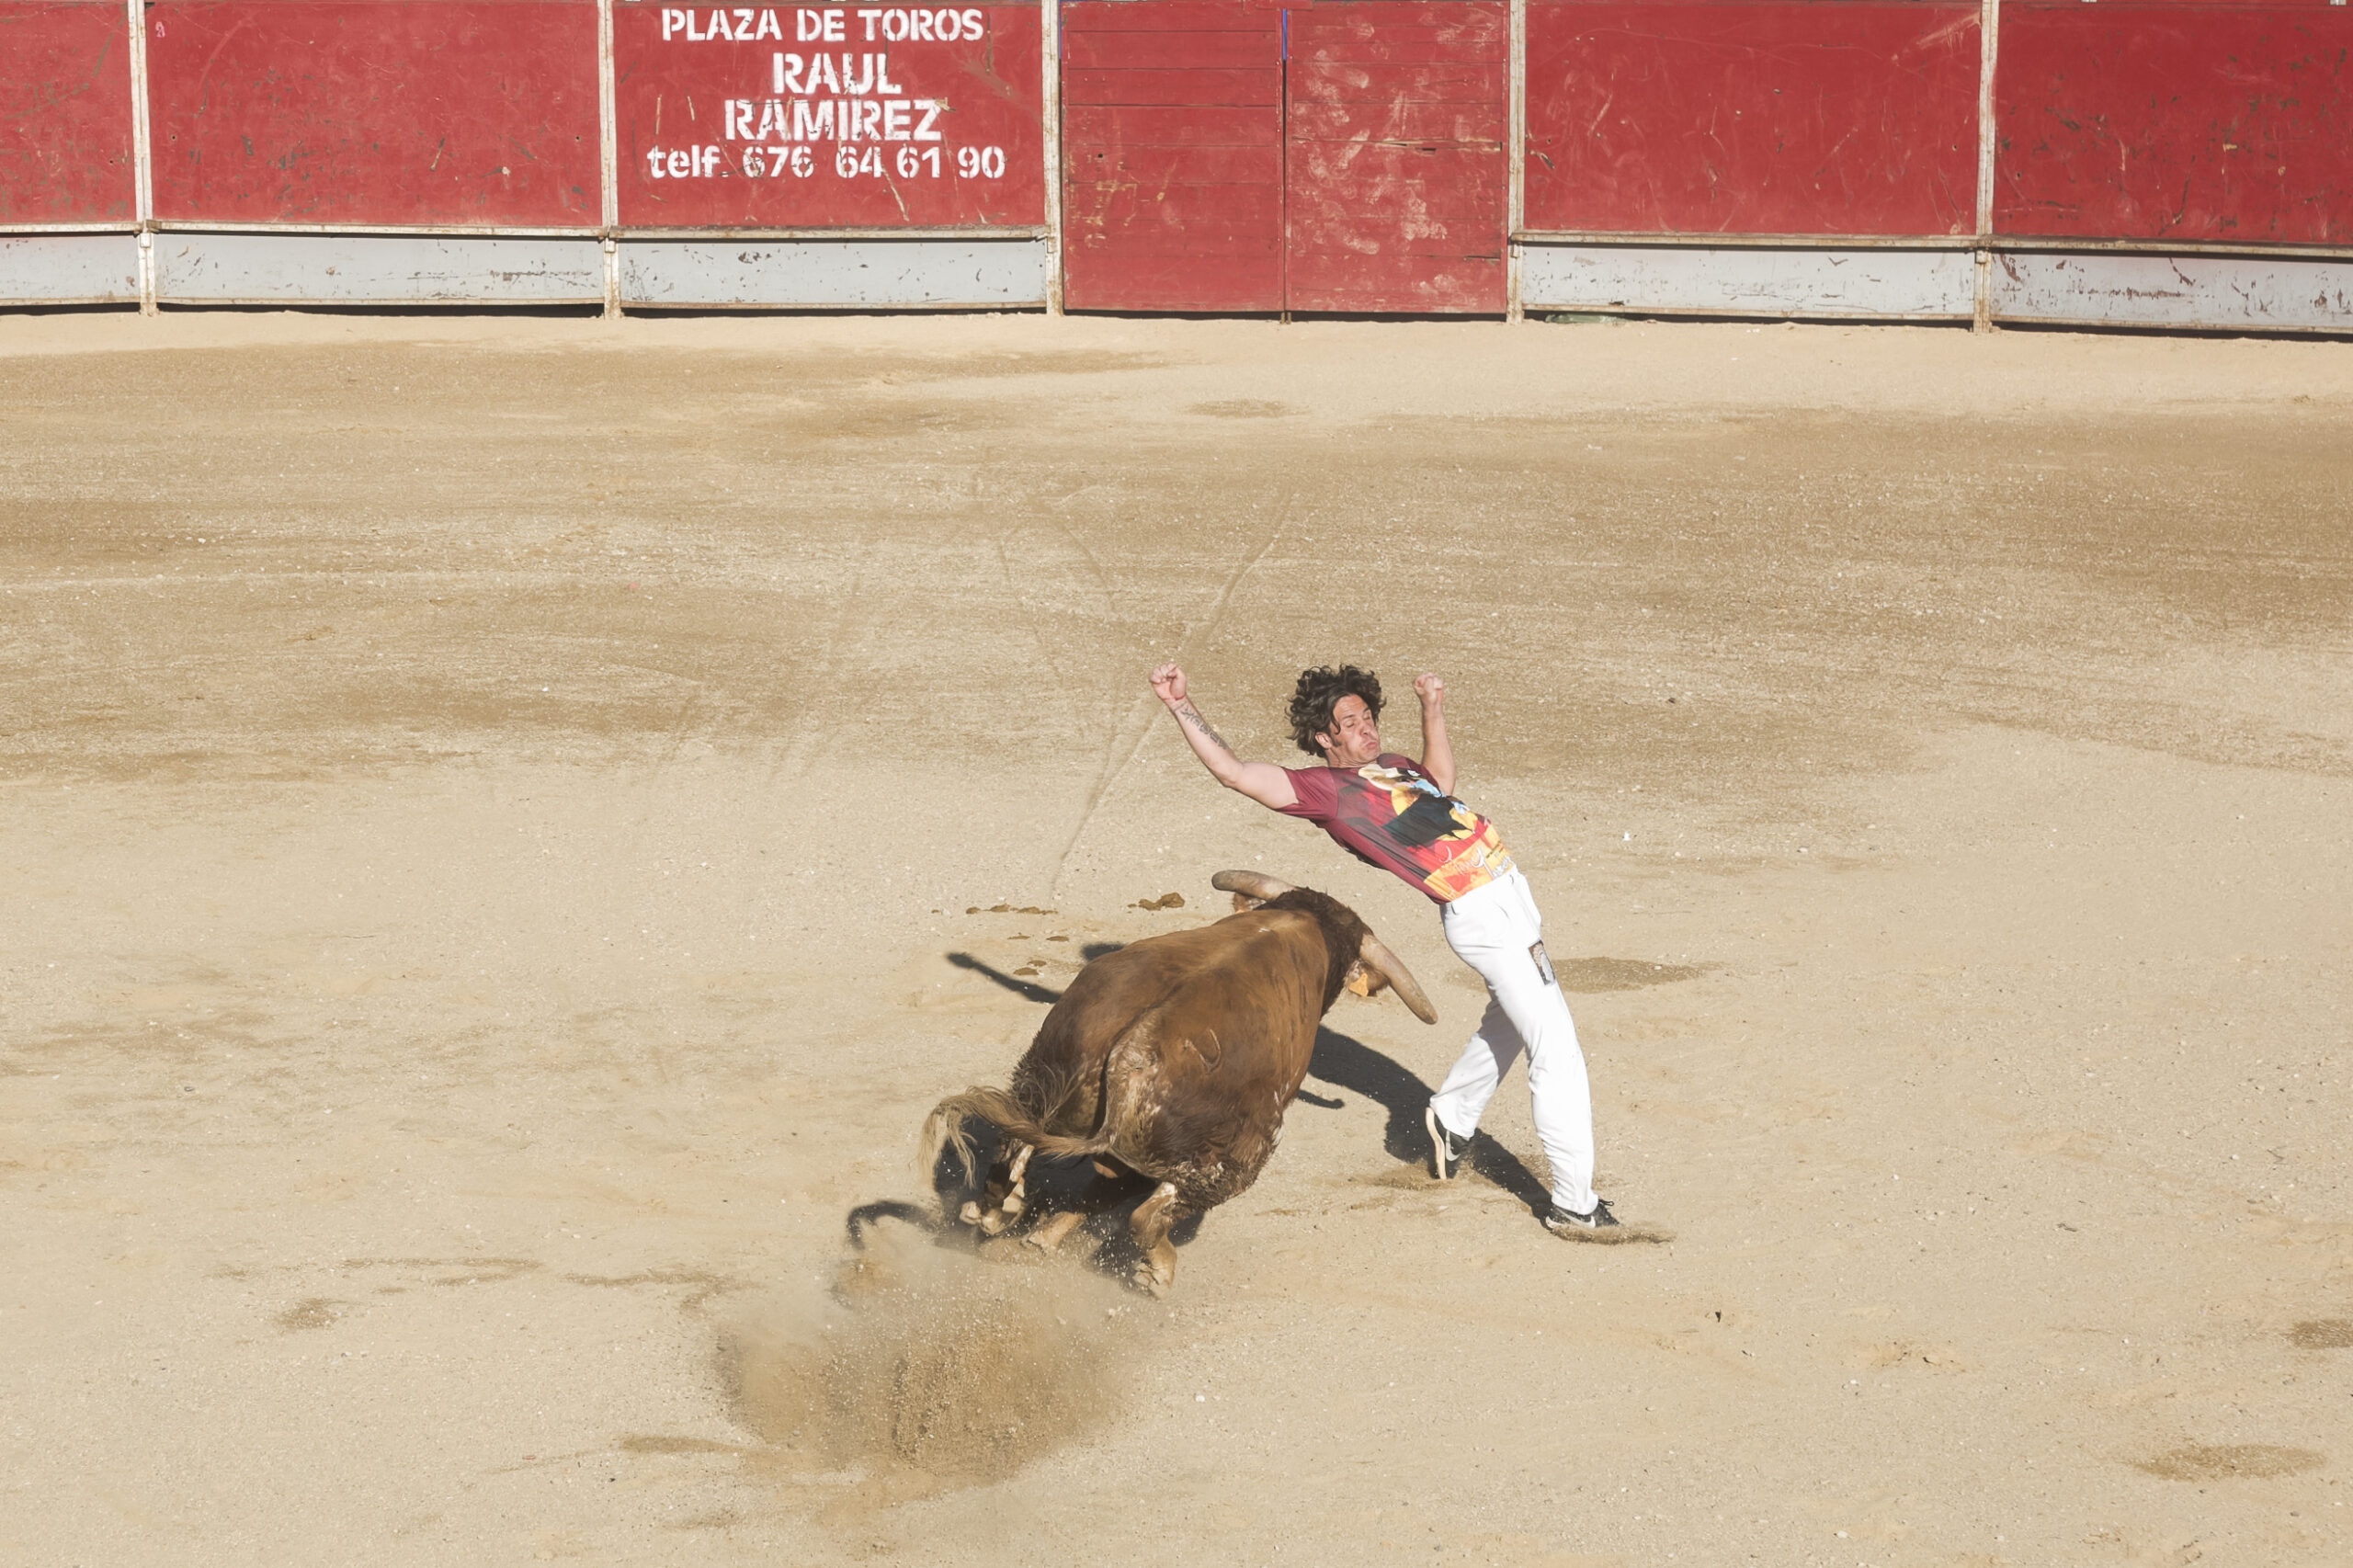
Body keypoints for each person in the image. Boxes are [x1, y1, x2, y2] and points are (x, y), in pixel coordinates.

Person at [1147, 661, 1618, 1234]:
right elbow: (1236, 773)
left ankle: (1452, 1117)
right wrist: (1180, 705)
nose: (1368, 729)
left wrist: (1432, 711)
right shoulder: (1327, 794)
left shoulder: (1391, 766)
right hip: (1481, 912)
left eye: (1368, 716)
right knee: (1557, 1050)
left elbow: (1440, 785)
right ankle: (1574, 1202)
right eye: (1351, 722)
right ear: (1325, 737)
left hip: (1512, 901)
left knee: (1512, 1020)